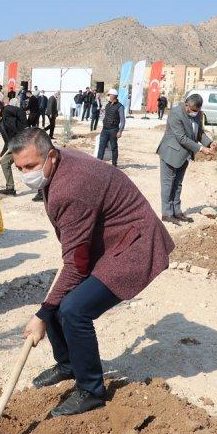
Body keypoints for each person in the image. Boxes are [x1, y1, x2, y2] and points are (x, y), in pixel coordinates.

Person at [11, 128, 174, 416]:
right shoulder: (59, 165)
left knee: (73, 308)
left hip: (134, 243)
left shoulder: (71, 187)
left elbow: (75, 265)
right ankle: (69, 364)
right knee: (61, 297)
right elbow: (75, 257)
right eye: (20, 168)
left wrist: (42, 315)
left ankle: (91, 390)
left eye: (31, 166)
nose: (26, 174)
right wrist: (49, 308)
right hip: (110, 240)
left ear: (51, 155)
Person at [156, 93, 216, 225]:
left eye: (197, 111)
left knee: (178, 184)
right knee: (168, 184)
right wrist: (201, 149)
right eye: (193, 110)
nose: (195, 113)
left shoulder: (198, 114)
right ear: (187, 105)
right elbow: (181, 137)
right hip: (170, 153)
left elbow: (199, 132)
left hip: (184, 155)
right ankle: (167, 213)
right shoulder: (175, 113)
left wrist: (209, 143)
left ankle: (177, 212)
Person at [0, 98, 27, 196]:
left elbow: (21, 112)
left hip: (22, 143)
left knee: (28, 163)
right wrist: (1, 155)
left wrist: (21, 131)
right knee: (4, 161)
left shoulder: (7, 110)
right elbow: (7, 142)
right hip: (15, 145)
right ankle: (10, 188)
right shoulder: (2, 121)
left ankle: (42, 189)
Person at [96, 88, 124, 167]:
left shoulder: (120, 106)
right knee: (101, 146)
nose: (108, 96)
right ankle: (98, 163)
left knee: (114, 147)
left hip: (113, 130)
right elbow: (104, 115)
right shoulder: (108, 105)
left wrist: (120, 131)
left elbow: (123, 120)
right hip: (105, 129)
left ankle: (114, 164)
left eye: (109, 95)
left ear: (114, 96)